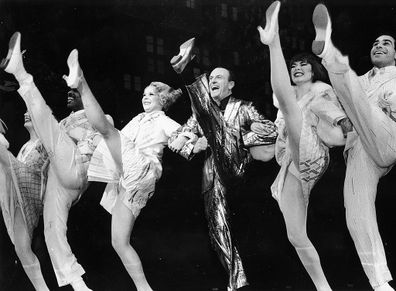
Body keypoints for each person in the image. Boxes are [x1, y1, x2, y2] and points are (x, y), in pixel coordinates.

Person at [59, 49, 190, 291]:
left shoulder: (161, 119)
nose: (145, 97)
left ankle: (82, 82)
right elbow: (117, 141)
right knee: (119, 242)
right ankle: (144, 289)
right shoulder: (138, 119)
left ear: (163, 100)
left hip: (143, 168)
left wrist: (194, 144)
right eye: (143, 94)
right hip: (129, 179)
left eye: (151, 94)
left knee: (107, 130)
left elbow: (180, 136)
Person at [1, 32, 109, 291]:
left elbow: (102, 136)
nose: (69, 95)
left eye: (75, 93)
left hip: (77, 167)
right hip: (58, 180)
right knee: (52, 230)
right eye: (70, 92)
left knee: (49, 128)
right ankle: (78, 284)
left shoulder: (96, 116)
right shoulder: (61, 123)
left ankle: (22, 75)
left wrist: (77, 133)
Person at [168, 39, 278, 291]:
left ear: (231, 85)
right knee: (218, 229)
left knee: (215, 126)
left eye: (219, 77)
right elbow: (175, 140)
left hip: (236, 168)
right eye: (211, 78)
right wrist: (193, 147)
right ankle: (237, 283)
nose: (214, 81)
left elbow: (271, 131)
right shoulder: (200, 114)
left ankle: (185, 71)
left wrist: (243, 137)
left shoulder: (244, 107)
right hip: (212, 178)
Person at [257, 2, 348, 290]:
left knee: (291, 110)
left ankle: (274, 42)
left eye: (302, 65)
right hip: (289, 164)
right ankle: (324, 287)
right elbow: (281, 120)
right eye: (293, 66)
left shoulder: (321, 91)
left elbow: (333, 116)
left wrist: (346, 126)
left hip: (313, 152)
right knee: (296, 236)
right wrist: (266, 129)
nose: (297, 69)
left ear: (314, 71)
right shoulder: (285, 100)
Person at [311, 4, 396, 291]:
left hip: (389, 136)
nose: (379, 46)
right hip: (361, 147)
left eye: (386, 43)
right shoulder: (359, 82)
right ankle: (380, 283)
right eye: (375, 43)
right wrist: (341, 118)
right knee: (356, 212)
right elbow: (324, 101)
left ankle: (327, 52)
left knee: (355, 96)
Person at [0, 113, 49, 291]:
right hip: (21, 187)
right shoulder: (25, 146)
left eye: (32, 111)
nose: (26, 114)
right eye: (25, 111)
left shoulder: (46, 141)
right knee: (21, 249)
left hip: (33, 185)